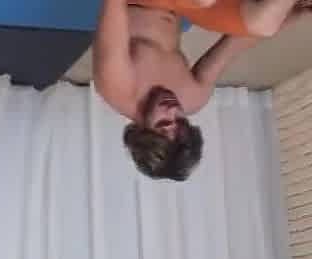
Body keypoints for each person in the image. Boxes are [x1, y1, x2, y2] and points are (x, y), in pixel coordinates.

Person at [93, 0, 311, 181]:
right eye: (180, 120)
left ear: (141, 131)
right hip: (182, 7)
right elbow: (233, 45)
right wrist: (294, 14)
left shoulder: (117, 86)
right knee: (263, 23)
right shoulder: (193, 98)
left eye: (163, 123)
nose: (173, 109)